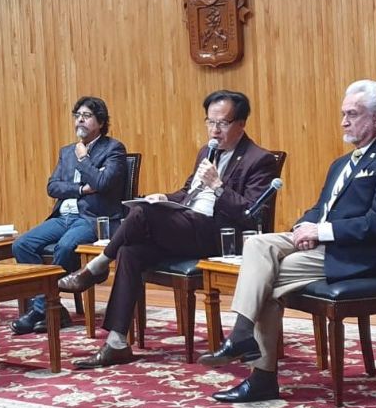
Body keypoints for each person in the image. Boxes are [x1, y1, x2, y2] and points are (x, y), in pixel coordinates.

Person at [201, 79, 376, 403]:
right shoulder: (342, 163)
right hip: (327, 243)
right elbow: (321, 208)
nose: (344, 121)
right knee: (258, 245)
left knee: (268, 277)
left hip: (362, 253)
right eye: (343, 113)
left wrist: (321, 232)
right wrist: (305, 225)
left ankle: (259, 373)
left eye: (353, 114)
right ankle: (243, 335)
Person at [60, 90, 278, 368]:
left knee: (143, 214)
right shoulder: (206, 151)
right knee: (131, 250)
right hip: (186, 225)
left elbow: (253, 214)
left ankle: (99, 264)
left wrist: (219, 187)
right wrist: (166, 198)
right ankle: (116, 342)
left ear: (241, 124)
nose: (214, 130)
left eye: (222, 123)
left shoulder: (258, 159)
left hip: (217, 236)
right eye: (209, 122)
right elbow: (189, 192)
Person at [9, 96, 128, 335]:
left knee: (65, 247)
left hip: (92, 218)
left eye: (86, 116)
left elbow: (103, 183)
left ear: (101, 122)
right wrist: (82, 189)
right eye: (77, 116)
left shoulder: (113, 149)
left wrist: (84, 159)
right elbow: (53, 187)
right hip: (63, 216)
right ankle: (53, 309)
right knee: (22, 245)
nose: (80, 121)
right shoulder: (66, 152)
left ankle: (40, 309)